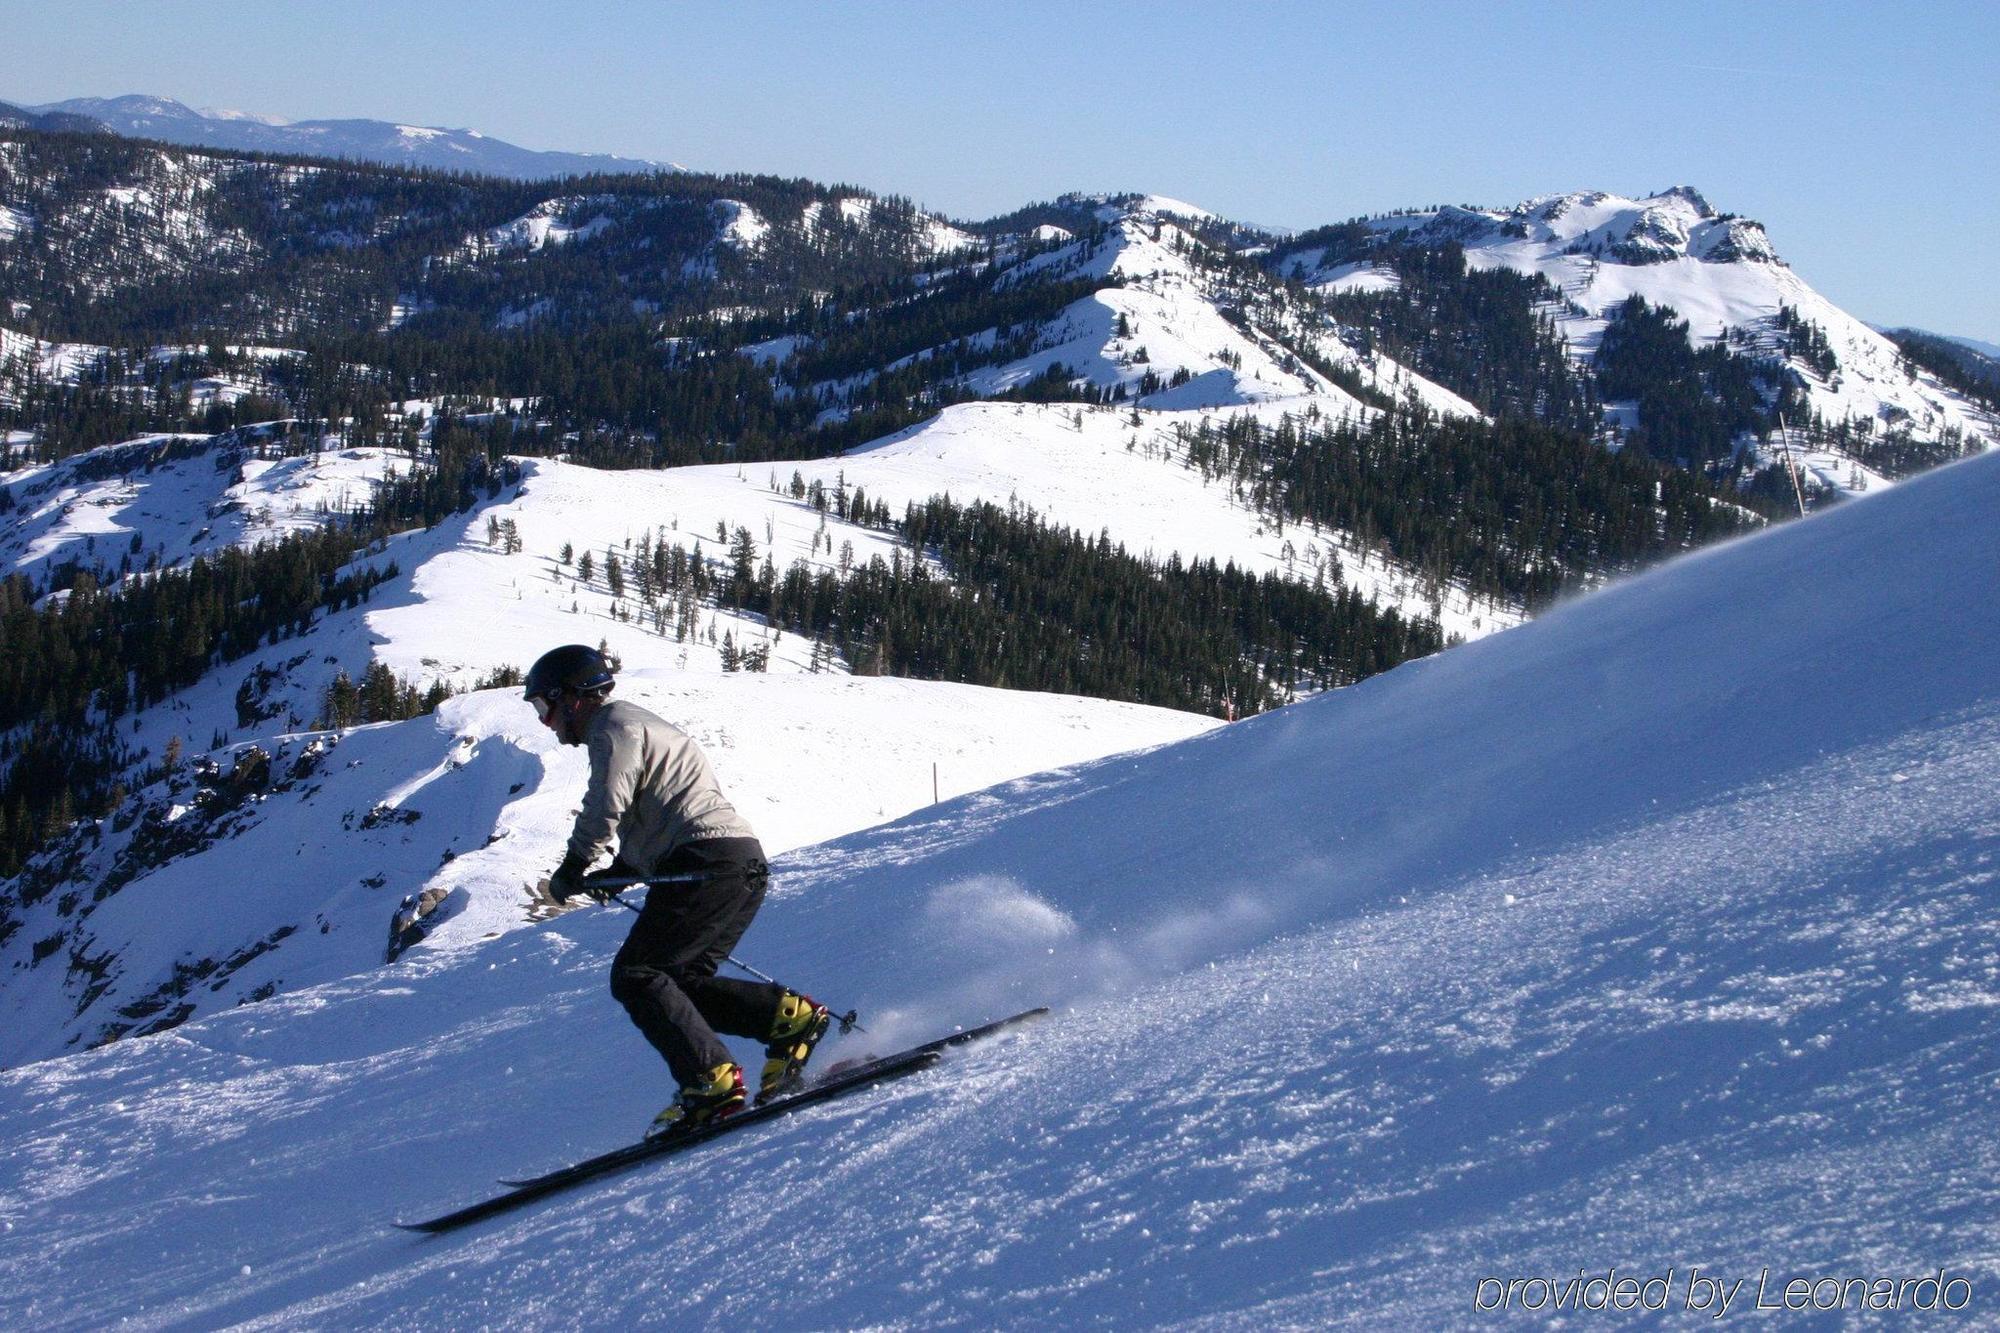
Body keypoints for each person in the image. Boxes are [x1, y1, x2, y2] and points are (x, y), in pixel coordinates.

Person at [525, 643, 830, 1136]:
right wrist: (623, 868)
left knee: (638, 974)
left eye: (545, 707)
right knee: (680, 982)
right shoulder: (634, 724)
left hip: (705, 864)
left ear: (573, 697)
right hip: (734, 862)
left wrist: (575, 864)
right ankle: (787, 1020)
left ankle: (710, 1082)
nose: (547, 722)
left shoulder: (612, 727)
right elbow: (663, 807)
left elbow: (607, 802)